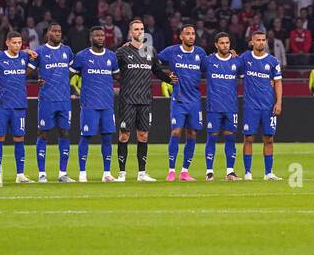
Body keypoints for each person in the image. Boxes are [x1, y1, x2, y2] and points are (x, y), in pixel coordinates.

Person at [114, 18, 175, 183]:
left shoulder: (150, 51)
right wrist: (123, 82)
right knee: (124, 136)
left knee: (143, 136)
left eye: (141, 29)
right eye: (136, 29)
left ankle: (142, 173)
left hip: (145, 100)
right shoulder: (122, 52)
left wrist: (171, 80)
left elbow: (157, 71)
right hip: (127, 100)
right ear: (130, 32)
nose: (139, 32)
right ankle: (122, 174)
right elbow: (112, 70)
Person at [158, 24, 209, 182]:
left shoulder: (200, 53)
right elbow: (153, 62)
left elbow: (211, 69)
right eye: (188, 34)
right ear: (181, 37)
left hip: (194, 100)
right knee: (176, 132)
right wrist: (166, 77)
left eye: (193, 34)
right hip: (178, 99)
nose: (191, 36)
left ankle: (185, 172)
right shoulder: (172, 51)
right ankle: (171, 171)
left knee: (192, 133)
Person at [70, 26, 121, 182]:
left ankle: (106, 172)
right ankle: (82, 173)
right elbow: (67, 75)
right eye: (97, 35)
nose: (100, 38)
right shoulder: (81, 56)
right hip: (89, 104)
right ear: (91, 38)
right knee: (85, 137)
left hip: (107, 104)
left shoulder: (111, 57)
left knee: (107, 138)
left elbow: (119, 76)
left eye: (102, 35)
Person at [0, 32, 37, 185]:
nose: (17, 45)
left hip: (19, 105)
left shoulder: (23, 57)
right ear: (7, 43)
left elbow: (33, 62)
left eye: (19, 42)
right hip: (2, 105)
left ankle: (20, 174)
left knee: (19, 138)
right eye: (14, 42)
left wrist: (28, 51)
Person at [238, 29, 283, 180]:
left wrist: (278, 102)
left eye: (263, 40)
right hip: (251, 106)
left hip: (268, 106)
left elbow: (278, 82)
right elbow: (232, 68)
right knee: (248, 138)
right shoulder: (245, 58)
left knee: (269, 139)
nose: (261, 42)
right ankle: (248, 172)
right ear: (252, 42)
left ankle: (268, 173)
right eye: (258, 40)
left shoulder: (272, 61)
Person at [34, 22, 74, 183]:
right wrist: (38, 79)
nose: (57, 33)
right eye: (54, 31)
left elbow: (73, 70)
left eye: (59, 31)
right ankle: (42, 174)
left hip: (64, 100)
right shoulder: (40, 51)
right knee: (43, 134)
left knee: (64, 133)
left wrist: (62, 82)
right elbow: (27, 69)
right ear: (48, 33)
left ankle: (62, 173)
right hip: (47, 100)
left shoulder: (67, 51)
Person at [204, 32, 241, 181]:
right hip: (214, 107)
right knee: (211, 138)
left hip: (231, 107)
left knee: (230, 138)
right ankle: (209, 172)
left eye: (227, 43)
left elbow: (251, 75)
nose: (225, 45)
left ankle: (230, 172)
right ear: (216, 45)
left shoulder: (237, 62)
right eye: (222, 43)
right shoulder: (208, 61)